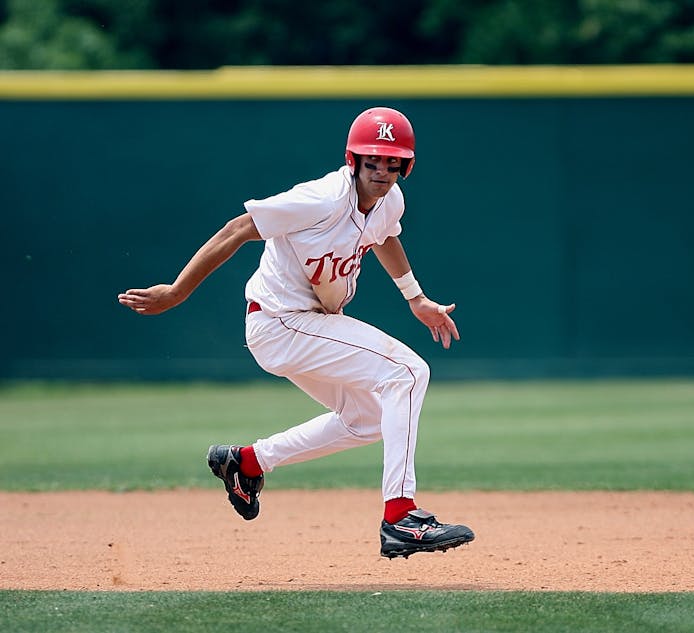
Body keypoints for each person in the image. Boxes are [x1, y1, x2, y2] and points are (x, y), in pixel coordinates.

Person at [117, 106, 474, 559]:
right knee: (407, 372)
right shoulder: (322, 199)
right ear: (353, 160)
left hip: (308, 324)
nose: (381, 170)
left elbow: (384, 234)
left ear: (406, 165)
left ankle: (247, 462)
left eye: (391, 161)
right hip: (281, 321)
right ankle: (400, 516)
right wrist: (178, 290)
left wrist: (415, 297)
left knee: (367, 420)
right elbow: (239, 228)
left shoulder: (391, 201)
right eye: (372, 160)